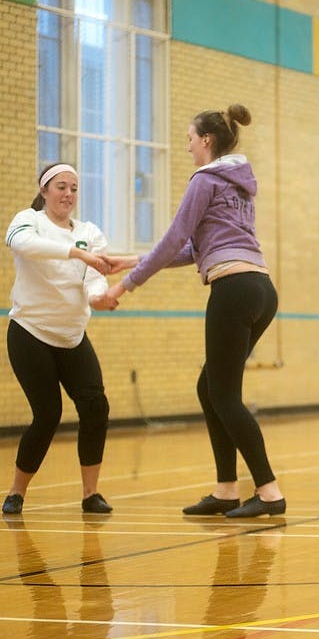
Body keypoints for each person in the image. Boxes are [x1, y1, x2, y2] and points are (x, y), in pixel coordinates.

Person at [102, 104, 286, 519]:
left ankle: (270, 491)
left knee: (223, 394)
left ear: (206, 140)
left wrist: (124, 286)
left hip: (234, 290)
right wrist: (131, 260)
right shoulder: (238, 184)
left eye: (188, 139)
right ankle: (226, 490)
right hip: (259, 289)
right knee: (210, 389)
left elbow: (173, 238)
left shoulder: (205, 180)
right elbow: (193, 248)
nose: (186, 148)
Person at [1, 162, 117, 515]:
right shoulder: (28, 221)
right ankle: (16, 492)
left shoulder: (90, 231)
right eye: (61, 187)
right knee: (48, 414)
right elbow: (22, 244)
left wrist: (100, 296)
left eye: (74, 189)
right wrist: (77, 252)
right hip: (30, 333)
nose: (68, 194)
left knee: (96, 407)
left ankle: (90, 494)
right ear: (44, 190)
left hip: (72, 337)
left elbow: (95, 278)